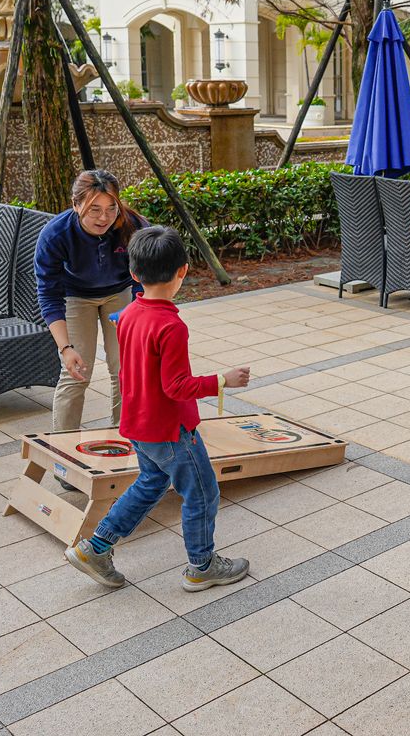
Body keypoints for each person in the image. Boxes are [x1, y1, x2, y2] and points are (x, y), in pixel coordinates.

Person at [65, 226, 252, 592]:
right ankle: (202, 566)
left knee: (151, 483)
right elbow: (176, 386)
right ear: (183, 270)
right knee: (202, 493)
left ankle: (95, 548)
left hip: (138, 424)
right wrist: (222, 380)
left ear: (134, 273)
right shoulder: (171, 326)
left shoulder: (127, 313)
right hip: (170, 430)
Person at [35, 168, 146, 434]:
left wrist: (141, 311)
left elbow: (147, 273)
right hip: (76, 296)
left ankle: (127, 438)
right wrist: (65, 348)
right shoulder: (55, 235)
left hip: (120, 292)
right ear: (76, 205)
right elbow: (48, 294)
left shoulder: (133, 225)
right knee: (75, 372)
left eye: (111, 208)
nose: (104, 218)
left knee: (126, 369)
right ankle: (63, 446)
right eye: (94, 209)